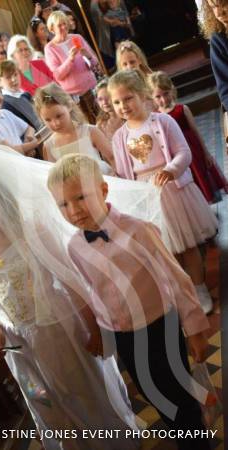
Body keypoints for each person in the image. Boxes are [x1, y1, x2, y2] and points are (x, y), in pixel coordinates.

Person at [0, 144, 141, 450]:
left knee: (83, 391)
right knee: (46, 401)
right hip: (19, 343)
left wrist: (92, 326)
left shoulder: (30, 228)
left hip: (59, 328)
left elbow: (70, 279)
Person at [48, 153, 211, 450]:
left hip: (160, 325)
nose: (73, 211)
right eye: (63, 204)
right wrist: (100, 331)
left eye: (81, 197)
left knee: (180, 394)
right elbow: (93, 291)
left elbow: (176, 278)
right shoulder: (74, 247)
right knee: (153, 394)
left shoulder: (138, 229)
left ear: (103, 190)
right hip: (124, 336)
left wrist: (196, 329)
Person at [109, 70, 218, 314]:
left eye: (128, 98)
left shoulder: (162, 121)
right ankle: (184, 291)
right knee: (166, 249)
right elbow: (125, 172)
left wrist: (170, 170)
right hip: (147, 197)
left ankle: (199, 287)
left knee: (187, 245)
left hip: (174, 190)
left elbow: (183, 152)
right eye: (117, 102)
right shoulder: (119, 138)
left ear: (142, 95)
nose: (122, 106)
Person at [148, 70, 228, 203]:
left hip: (192, 150)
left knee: (199, 174)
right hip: (175, 153)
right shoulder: (155, 116)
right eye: (158, 96)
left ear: (172, 90)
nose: (163, 99)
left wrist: (206, 153)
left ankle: (207, 199)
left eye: (166, 93)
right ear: (152, 98)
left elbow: (195, 131)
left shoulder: (182, 109)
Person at [34, 82, 114, 174]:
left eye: (59, 116)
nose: (55, 123)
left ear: (69, 106)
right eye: (48, 120)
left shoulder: (90, 131)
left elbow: (112, 157)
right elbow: (57, 177)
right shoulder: (49, 146)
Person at [44, 11, 100, 124]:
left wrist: (87, 55)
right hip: (75, 97)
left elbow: (94, 63)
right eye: (59, 25)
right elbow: (58, 75)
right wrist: (70, 59)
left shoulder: (77, 37)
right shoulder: (50, 48)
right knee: (88, 126)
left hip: (91, 88)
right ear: (52, 28)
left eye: (65, 23)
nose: (64, 27)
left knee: (103, 120)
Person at [0, 60, 42, 131]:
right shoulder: (5, 104)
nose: (14, 79)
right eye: (8, 77)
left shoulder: (25, 94)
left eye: (15, 74)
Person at [200, 0, 228, 111]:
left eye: (223, 5)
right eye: (213, 7)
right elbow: (225, 90)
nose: (218, 13)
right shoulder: (218, 39)